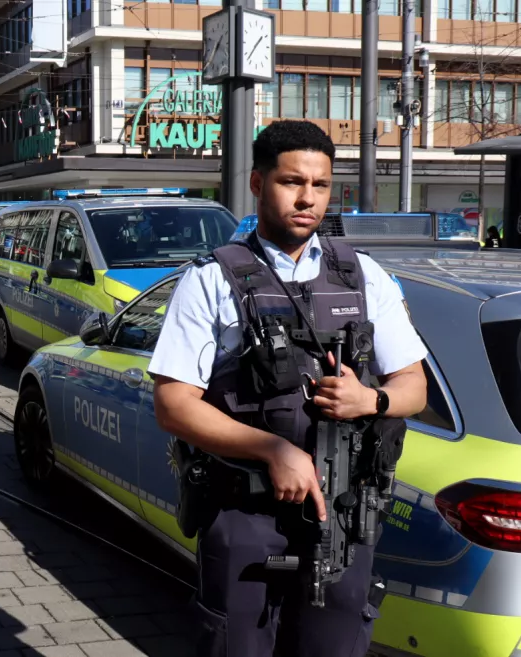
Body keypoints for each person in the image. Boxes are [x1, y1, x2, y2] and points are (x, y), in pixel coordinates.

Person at [148, 120, 429, 657]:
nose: (308, 198)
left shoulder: (364, 275)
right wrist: (271, 449)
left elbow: (414, 385)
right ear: (257, 184)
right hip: (245, 515)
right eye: (291, 182)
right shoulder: (211, 278)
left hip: (344, 515)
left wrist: (372, 400)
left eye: (320, 185)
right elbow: (173, 404)